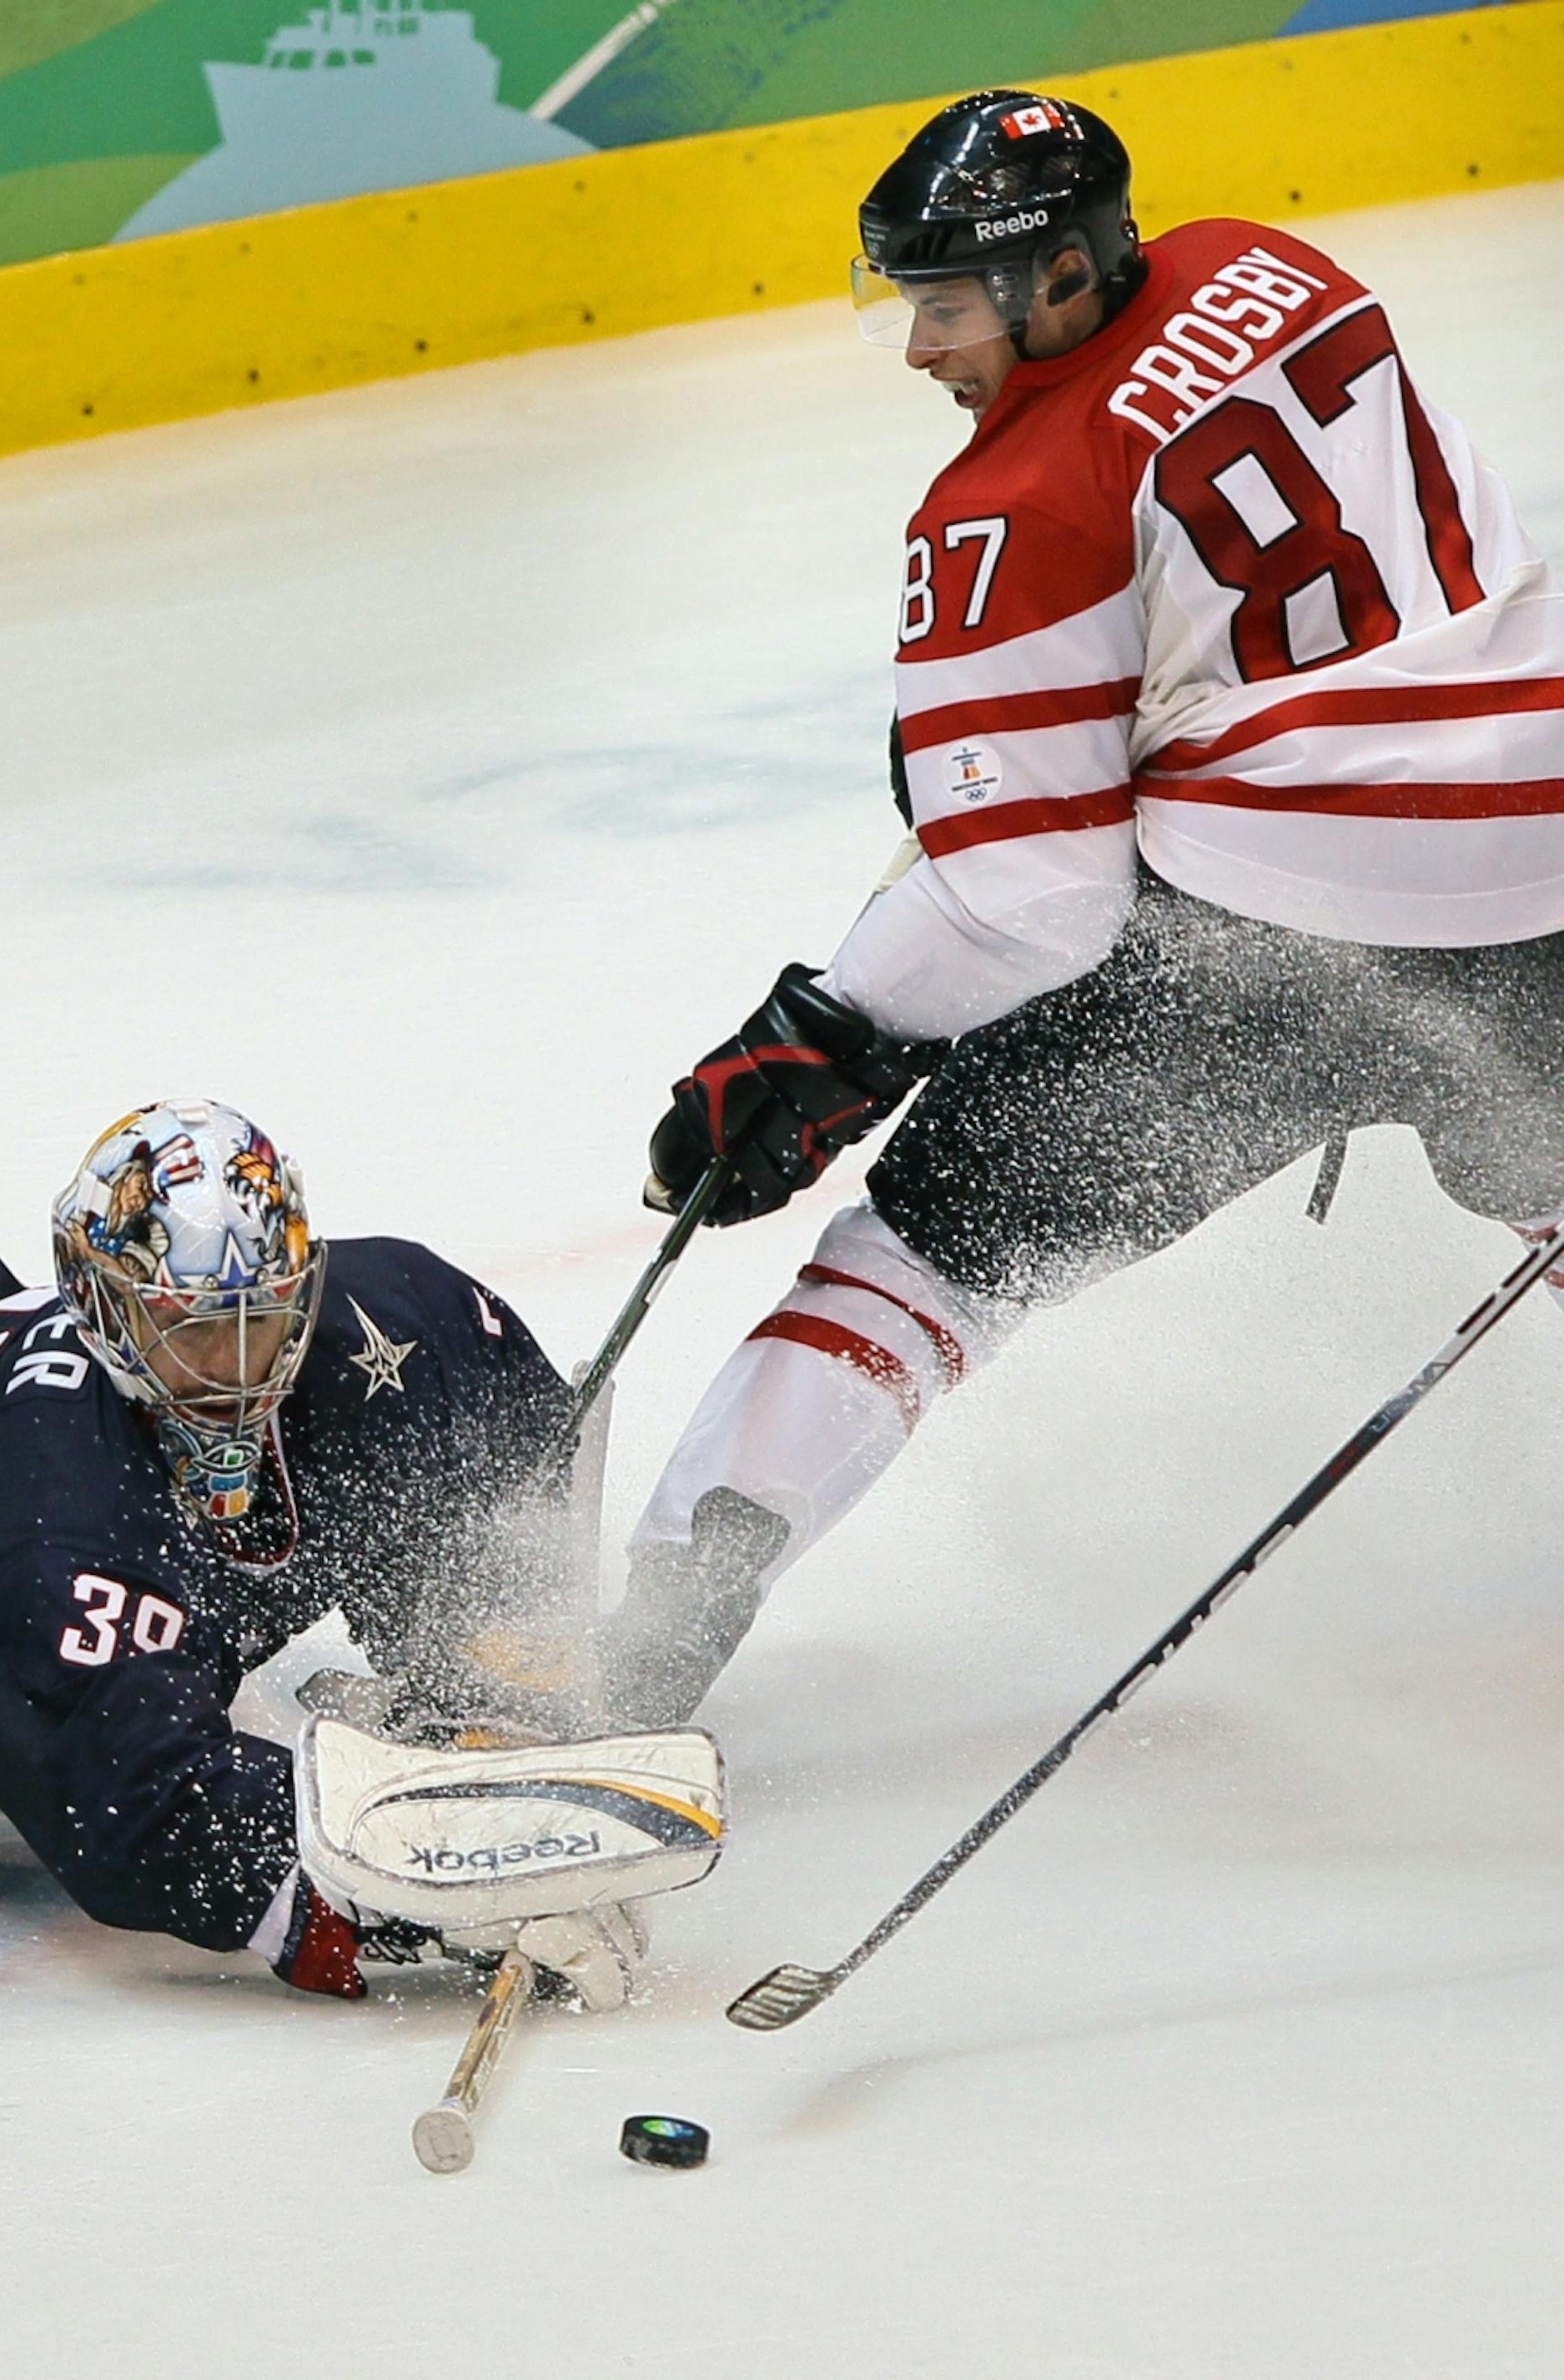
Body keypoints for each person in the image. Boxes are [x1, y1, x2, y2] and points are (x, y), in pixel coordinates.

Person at [601, 90, 1564, 1726]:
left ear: (1060, 277)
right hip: (1546, 876)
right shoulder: (1278, 270)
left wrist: (819, 1036)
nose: (920, 346)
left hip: (1280, 952)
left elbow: (1029, 900)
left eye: (950, 304)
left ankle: (639, 1654)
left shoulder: (1010, 506)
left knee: (928, 1250)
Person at [0, 1099, 631, 2001]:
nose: (241, 1364)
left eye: (264, 1313)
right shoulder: (59, 1531)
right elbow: (150, 1815)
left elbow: (503, 1427)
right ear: (98, 1310)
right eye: (196, 1332)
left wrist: (486, 1662)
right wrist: (430, 1876)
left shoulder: (401, 1313)